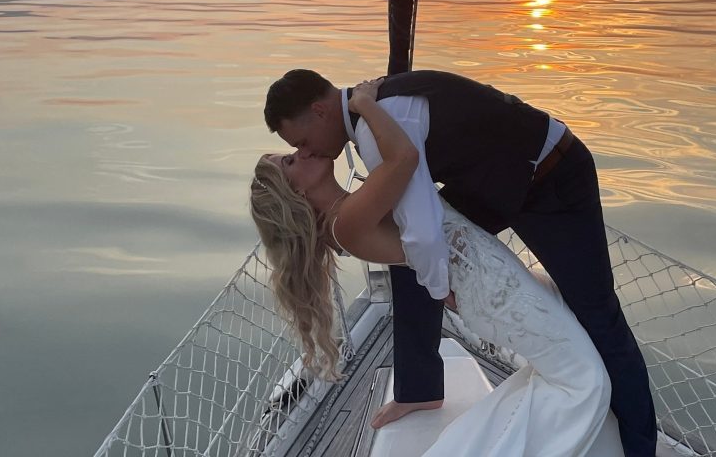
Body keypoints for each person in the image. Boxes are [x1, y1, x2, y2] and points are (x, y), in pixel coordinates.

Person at [263, 69, 657, 456]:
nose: (306, 151)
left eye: (301, 142)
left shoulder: (375, 129)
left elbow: (418, 225)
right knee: (421, 262)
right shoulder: (372, 123)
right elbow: (417, 222)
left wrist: (442, 286)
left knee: (597, 318)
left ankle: (639, 447)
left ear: (319, 110)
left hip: (547, 177)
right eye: (295, 154)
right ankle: (420, 388)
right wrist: (445, 288)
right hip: (501, 188)